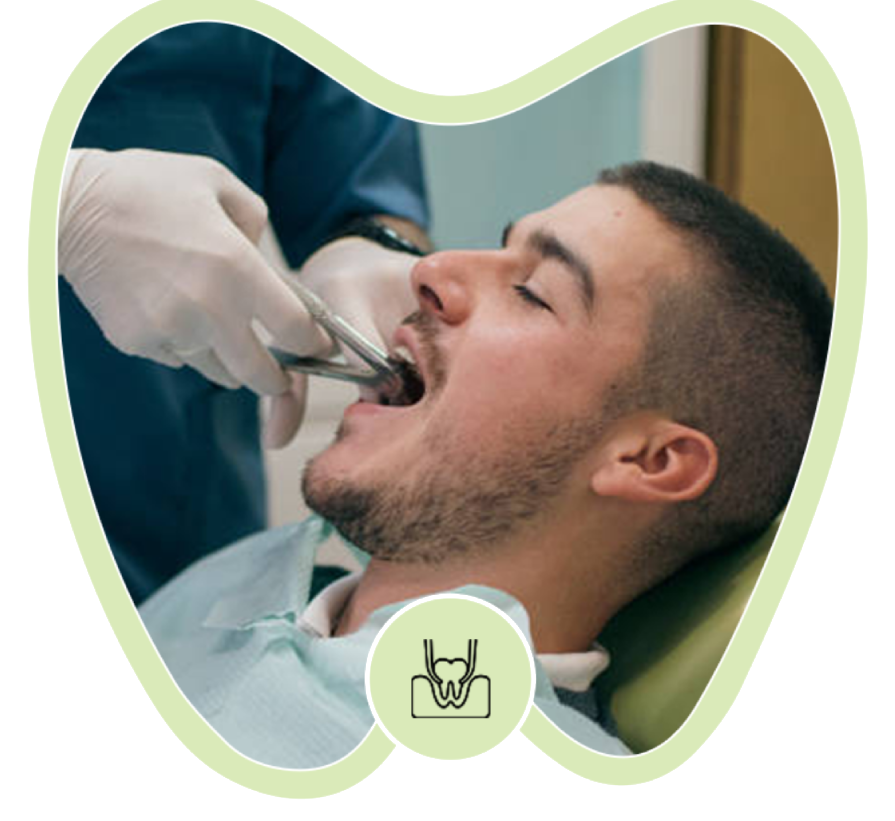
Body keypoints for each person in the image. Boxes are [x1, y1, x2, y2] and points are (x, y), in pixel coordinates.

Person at [140, 161, 833, 767]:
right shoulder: (247, 579)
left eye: (532, 291)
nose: (427, 271)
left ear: (651, 461)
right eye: (502, 250)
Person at [57, 23, 429, 603]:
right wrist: (62, 198)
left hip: (167, 545)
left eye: (531, 290)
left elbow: (366, 182)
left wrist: (370, 243)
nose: (452, 278)